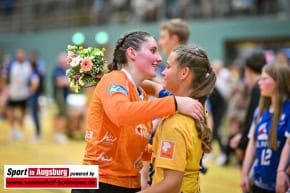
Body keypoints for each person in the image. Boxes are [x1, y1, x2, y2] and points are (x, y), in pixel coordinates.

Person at [71, 31, 204, 193]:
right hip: (100, 183)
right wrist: (174, 102)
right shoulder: (114, 79)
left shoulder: (140, 94)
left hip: (128, 185)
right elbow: (121, 113)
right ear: (132, 53)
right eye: (153, 50)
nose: (159, 58)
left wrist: (172, 151)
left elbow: (134, 146)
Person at [138, 45, 216, 193]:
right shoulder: (197, 107)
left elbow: (171, 184)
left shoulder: (175, 124)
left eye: (168, 67)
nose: (164, 73)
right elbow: (154, 88)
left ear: (184, 72)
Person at [240, 63, 290, 193]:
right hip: (259, 183)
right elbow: (252, 144)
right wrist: (245, 174)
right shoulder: (260, 111)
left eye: (264, 78)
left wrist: (282, 171)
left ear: (279, 81)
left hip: (280, 184)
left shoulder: (288, 110)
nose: (259, 83)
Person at [230, 51, 266, 165]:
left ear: (248, 70)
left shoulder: (258, 87)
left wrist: (242, 144)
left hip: (256, 141)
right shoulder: (262, 86)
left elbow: (252, 118)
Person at [4, 48, 31, 140]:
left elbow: (32, 79)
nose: (20, 56)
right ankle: (12, 130)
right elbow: (3, 77)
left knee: (22, 114)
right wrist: (5, 89)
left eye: (22, 54)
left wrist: (30, 90)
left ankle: (20, 131)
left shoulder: (28, 66)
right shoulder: (11, 65)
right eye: (19, 54)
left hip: (23, 94)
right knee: (10, 112)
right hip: (12, 93)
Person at [52, 52, 70, 144]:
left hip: (64, 96)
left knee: (60, 115)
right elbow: (59, 82)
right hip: (60, 97)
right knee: (62, 115)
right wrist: (68, 82)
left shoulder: (64, 71)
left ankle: (57, 134)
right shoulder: (58, 70)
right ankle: (59, 134)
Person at [28, 59, 42, 142]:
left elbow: (35, 84)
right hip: (34, 97)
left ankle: (37, 134)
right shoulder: (34, 73)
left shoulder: (34, 74)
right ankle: (37, 133)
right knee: (34, 115)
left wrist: (30, 92)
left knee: (35, 115)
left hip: (34, 97)